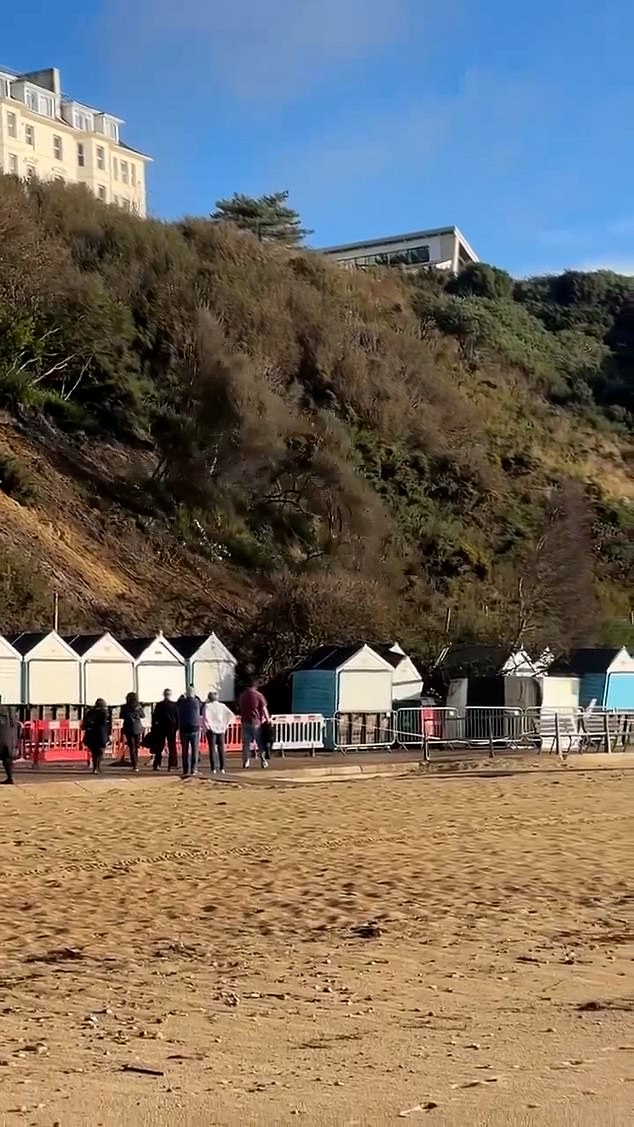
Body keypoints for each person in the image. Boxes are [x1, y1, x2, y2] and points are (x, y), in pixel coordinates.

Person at [238, 678, 269, 769]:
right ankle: (263, 761)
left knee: (246, 744)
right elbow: (264, 709)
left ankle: (246, 761)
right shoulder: (259, 695)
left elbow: (240, 707)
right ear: (255, 686)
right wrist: (268, 719)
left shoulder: (242, 696)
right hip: (256, 722)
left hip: (245, 721)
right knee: (260, 743)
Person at [202, 691, 234, 775]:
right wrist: (226, 725)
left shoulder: (207, 706)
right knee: (221, 748)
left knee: (212, 749)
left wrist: (208, 727)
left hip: (211, 730)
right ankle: (222, 767)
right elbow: (231, 715)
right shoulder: (222, 706)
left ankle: (213, 768)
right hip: (221, 729)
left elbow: (205, 718)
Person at [150, 689, 179, 772]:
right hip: (171, 727)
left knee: (159, 746)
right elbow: (178, 718)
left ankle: (157, 764)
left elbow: (154, 717)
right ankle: (172, 765)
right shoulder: (174, 705)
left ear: (163, 695)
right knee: (172, 746)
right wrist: (177, 727)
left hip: (161, 727)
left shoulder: (159, 705)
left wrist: (154, 727)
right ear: (170, 695)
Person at [177, 685, 202, 778]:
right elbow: (201, 703)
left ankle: (185, 769)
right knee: (194, 749)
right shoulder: (196, 702)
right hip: (194, 727)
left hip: (184, 728)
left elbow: (178, 703)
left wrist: (182, 696)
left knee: (185, 750)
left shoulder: (182, 702)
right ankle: (193, 769)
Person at [83, 698, 110, 774]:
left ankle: (95, 767)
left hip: (92, 734)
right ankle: (98, 766)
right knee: (100, 751)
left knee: (94, 752)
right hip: (102, 734)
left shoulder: (90, 712)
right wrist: (109, 735)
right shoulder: (106, 713)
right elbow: (108, 725)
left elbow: (85, 723)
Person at [120, 692, 145, 772]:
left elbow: (122, 716)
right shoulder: (138, 706)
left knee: (132, 747)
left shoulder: (124, 707)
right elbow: (143, 715)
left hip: (128, 728)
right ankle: (136, 762)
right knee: (137, 746)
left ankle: (134, 764)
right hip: (137, 728)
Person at [0, 695, 18, 785]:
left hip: (1, 738)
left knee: (6, 758)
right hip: (10, 738)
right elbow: (15, 725)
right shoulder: (10, 710)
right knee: (7, 759)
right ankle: (10, 777)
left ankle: (9, 778)